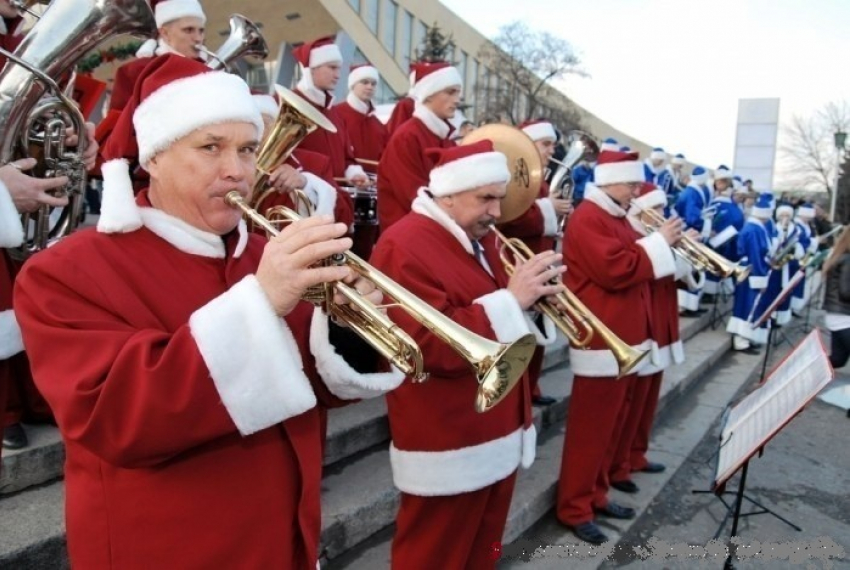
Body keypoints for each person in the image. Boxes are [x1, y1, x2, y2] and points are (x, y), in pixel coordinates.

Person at [14, 55, 403, 568]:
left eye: (247, 149)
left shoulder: (264, 256)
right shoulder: (65, 271)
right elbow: (119, 417)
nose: (238, 171)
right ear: (153, 157)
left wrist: (348, 329)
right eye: (210, 147)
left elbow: (314, 382)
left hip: (283, 540)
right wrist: (262, 303)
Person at [370, 141, 563, 569]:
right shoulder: (404, 244)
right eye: (487, 199)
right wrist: (513, 303)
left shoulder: (476, 236)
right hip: (448, 435)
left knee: (483, 552)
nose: (498, 212)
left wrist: (534, 300)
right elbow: (424, 345)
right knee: (432, 558)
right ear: (449, 194)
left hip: (493, 429)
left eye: (499, 198)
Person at [556, 150, 682, 545]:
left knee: (610, 430)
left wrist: (657, 245)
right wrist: (658, 243)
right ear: (609, 180)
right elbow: (616, 269)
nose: (636, 190)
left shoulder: (613, 215)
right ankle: (574, 507)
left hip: (625, 337)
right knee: (590, 432)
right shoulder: (589, 217)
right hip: (602, 340)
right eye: (630, 183)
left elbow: (634, 263)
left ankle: (595, 494)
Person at [610, 183, 694, 494]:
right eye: (655, 209)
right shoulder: (635, 236)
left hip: (662, 320)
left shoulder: (653, 237)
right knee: (633, 403)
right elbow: (647, 272)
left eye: (662, 208)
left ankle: (636, 454)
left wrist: (683, 250)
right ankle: (620, 463)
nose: (661, 215)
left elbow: (673, 274)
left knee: (647, 400)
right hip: (644, 322)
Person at [498, 119, 572, 406]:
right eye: (546, 144)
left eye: (552, 144)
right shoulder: (515, 177)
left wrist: (559, 214)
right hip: (519, 260)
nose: (551, 150)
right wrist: (549, 209)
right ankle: (518, 392)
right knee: (522, 330)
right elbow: (511, 218)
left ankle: (532, 389)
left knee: (539, 326)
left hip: (541, 257)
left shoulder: (541, 180)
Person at [97, 0, 207, 151]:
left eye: (201, 31)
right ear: (165, 33)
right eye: (188, 30)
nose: (198, 38)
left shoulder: (208, 71)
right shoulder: (135, 71)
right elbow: (118, 129)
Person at [377, 61, 461, 230]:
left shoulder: (446, 139)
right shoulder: (407, 137)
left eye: (458, 93)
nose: (457, 100)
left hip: (437, 226)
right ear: (428, 94)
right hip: (409, 233)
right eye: (450, 92)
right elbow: (414, 196)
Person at [291, 36, 369, 188]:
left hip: (334, 198)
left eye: (339, 68)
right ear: (312, 69)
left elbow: (347, 158)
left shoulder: (334, 112)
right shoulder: (288, 104)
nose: (338, 75)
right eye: (332, 67)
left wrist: (354, 174)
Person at [726, 193, 774, 352]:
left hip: (748, 270)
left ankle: (746, 338)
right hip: (751, 272)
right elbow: (756, 255)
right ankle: (741, 340)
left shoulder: (754, 227)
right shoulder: (755, 230)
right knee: (748, 306)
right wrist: (761, 279)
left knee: (747, 305)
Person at [333, 63, 389, 176]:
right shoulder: (336, 114)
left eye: (373, 84)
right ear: (353, 85)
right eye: (364, 82)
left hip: (373, 186)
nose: (370, 87)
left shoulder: (377, 124)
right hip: (343, 182)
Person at [821, 226, 850, 370]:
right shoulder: (848, 260)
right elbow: (846, 292)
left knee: (838, 359)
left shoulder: (841, 255)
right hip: (844, 317)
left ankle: (809, 372)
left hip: (838, 316)